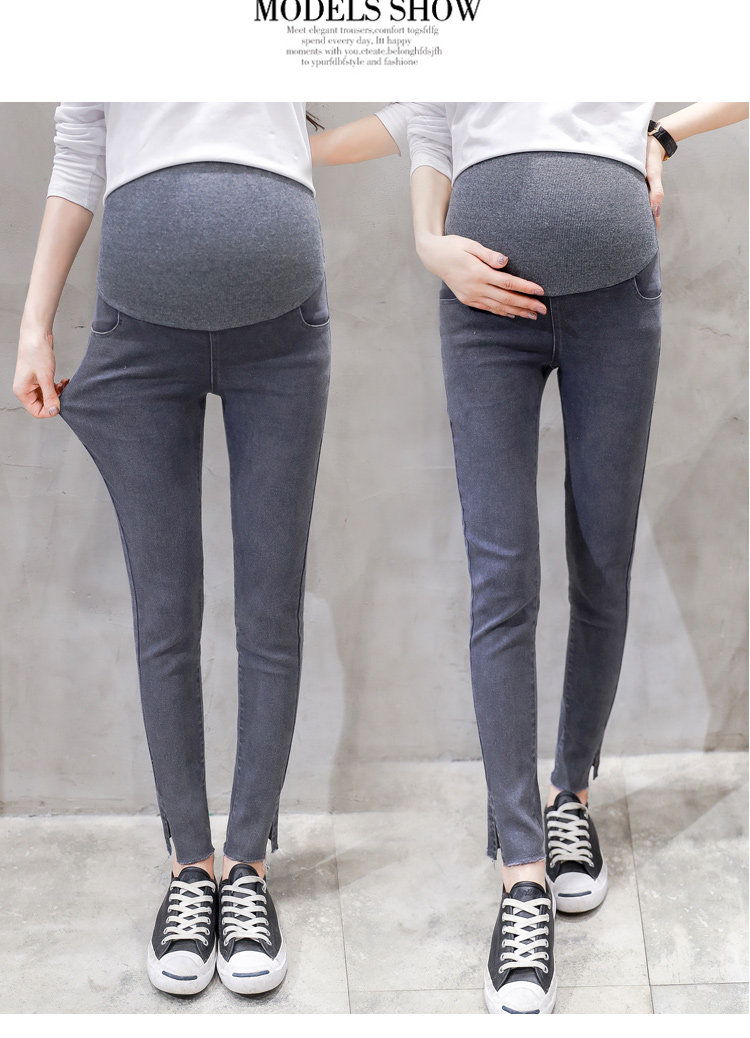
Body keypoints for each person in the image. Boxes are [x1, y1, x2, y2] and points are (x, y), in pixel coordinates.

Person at [311, 101, 748, 1014]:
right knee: (501, 581)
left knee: (603, 562)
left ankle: (570, 797)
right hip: (483, 309)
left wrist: (663, 135)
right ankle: (520, 872)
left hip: (617, 302)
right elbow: (428, 122)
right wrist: (429, 242)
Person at [14, 102, 332, 997]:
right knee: (164, 610)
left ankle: (248, 865)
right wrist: (35, 325)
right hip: (140, 331)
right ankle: (191, 866)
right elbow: (80, 152)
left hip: (283, 332)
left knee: (270, 607)